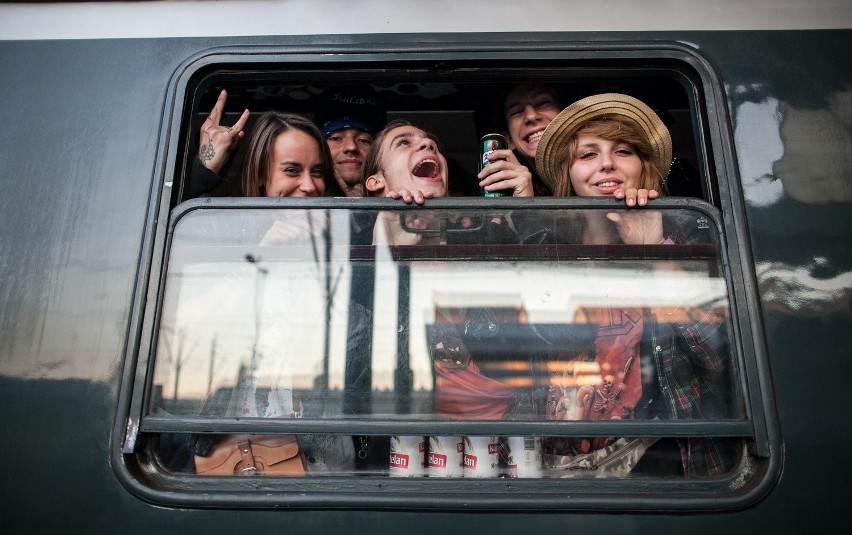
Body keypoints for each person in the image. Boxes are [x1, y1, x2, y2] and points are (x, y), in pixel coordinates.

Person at [533, 93, 732, 477]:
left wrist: (655, 252)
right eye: (587, 155)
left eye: (622, 150)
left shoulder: (688, 233)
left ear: (642, 167)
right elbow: (518, 360)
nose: (606, 163)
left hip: (660, 458)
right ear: (568, 175)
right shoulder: (547, 249)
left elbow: (720, 356)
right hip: (555, 463)